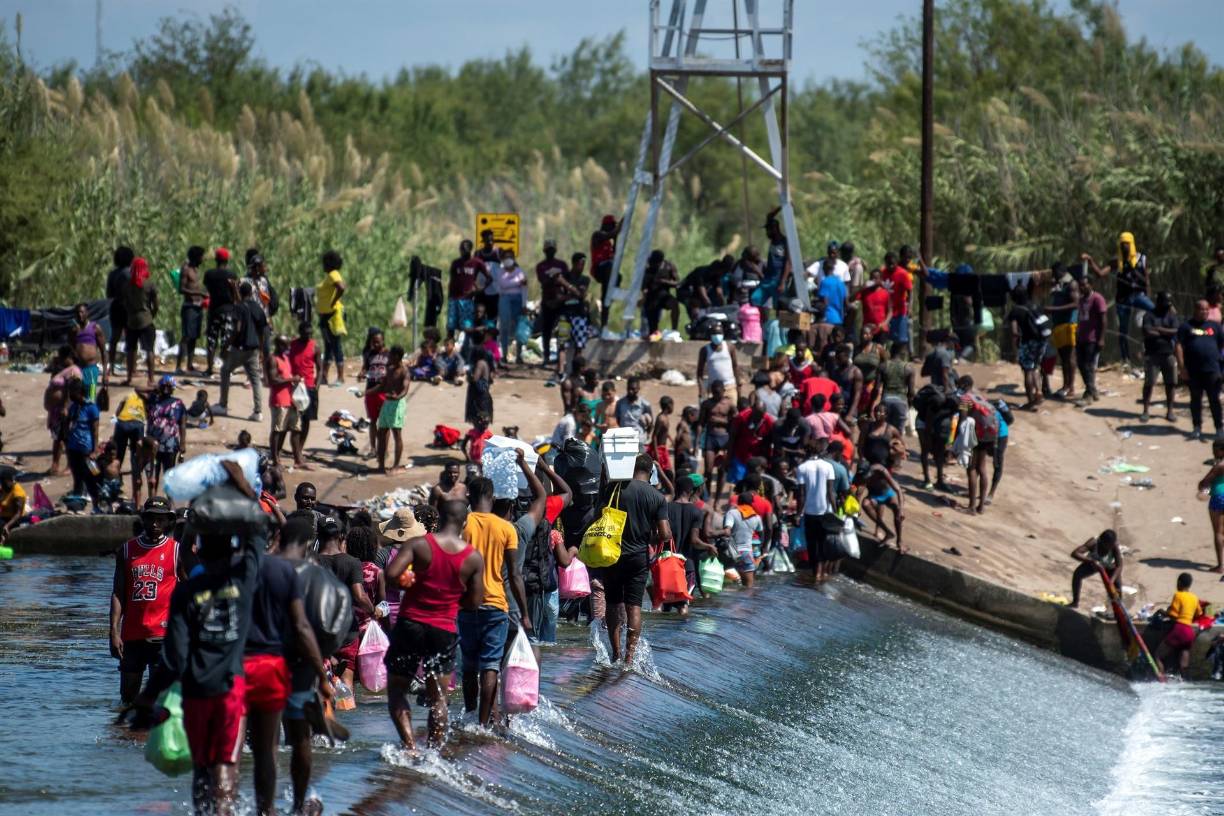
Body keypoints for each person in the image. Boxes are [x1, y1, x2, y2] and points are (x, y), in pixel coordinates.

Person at [132, 481, 267, 816]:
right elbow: (257, 536)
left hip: (194, 692)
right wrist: (242, 492)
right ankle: (224, 811)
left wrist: (148, 698)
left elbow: (174, 658)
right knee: (225, 765)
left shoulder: (186, 592)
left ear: (199, 551)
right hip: (230, 690)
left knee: (202, 768)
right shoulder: (245, 580)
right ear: (232, 550)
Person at [243, 515, 329, 816]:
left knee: (262, 744)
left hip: (256, 660)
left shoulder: (256, 566)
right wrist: (322, 669)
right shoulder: (312, 571)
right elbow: (317, 624)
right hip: (300, 665)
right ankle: (296, 804)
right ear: (307, 544)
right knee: (300, 736)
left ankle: (262, 808)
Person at [385, 499, 483, 751]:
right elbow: (474, 602)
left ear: (439, 518)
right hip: (444, 629)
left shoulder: (419, 544)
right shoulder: (472, 557)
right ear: (464, 522)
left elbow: (392, 575)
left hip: (410, 624)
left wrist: (414, 581)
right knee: (439, 698)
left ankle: (409, 747)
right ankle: (434, 753)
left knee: (397, 691)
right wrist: (450, 598)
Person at [460, 472, 531, 727]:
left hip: (466, 605)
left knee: (468, 665)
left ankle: (468, 715)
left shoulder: (463, 525)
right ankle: (482, 724)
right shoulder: (506, 528)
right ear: (491, 497)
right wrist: (524, 613)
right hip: (496, 605)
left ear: (470, 497)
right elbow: (514, 574)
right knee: (490, 666)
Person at [109, 497, 192, 703]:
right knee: (128, 698)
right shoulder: (127, 551)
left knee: (160, 698)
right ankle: (126, 736)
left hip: (163, 635)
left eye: (161, 520)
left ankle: (151, 734)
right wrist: (113, 631)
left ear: (167, 522)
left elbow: (189, 590)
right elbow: (118, 593)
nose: (155, 524)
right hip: (132, 635)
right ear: (143, 520)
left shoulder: (176, 551)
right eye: (151, 519)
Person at [602, 454, 671, 665]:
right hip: (638, 557)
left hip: (612, 554)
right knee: (634, 607)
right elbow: (665, 534)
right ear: (651, 473)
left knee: (613, 604)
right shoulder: (657, 497)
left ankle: (615, 654)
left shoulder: (615, 489)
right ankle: (630, 658)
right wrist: (646, 537)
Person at [317, 516, 378, 696]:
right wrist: (373, 610)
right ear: (342, 536)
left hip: (320, 630)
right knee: (346, 681)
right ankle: (348, 715)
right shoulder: (352, 562)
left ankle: (326, 721)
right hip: (347, 630)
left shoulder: (311, 560)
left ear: (318, 536)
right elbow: (360, 596)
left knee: (319, 682)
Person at [1083, 232, 1153, 370]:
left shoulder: (1141, 259)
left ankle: (1148, 351)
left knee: (1154, 313)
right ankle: (1125, 359)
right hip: (1123, 298)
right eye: (1122, 244)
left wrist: (1148, 296)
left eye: (1127, 243)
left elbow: (1147, 280)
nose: (1124, 246)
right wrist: (1091, 262)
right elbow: (1101, 274)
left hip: (1139, 295)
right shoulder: (1117, 261)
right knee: (1123, 330)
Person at [217, 281, 267, 422]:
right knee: (255, 379)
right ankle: (258, 412)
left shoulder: (238, 308)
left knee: (225, 371)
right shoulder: (256, 307)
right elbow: (262, 329)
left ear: (240, 292)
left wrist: (226, 345)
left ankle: (223, 404)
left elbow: (237, 329)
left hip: (240, 348)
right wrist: (262, 349)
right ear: (251, 293)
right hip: (254, 349)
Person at [1176, 299, 1224, 441]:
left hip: (1212, 369)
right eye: (1201, 309)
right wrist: (1182, 367)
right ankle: (1197, 428)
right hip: (1194, 370)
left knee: (1214, 400)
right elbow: (1178, 346)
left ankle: (1219, 429)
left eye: (1206, 309)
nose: (1204, 312)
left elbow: (1222, 346)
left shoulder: (1215, 326)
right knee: (1195, 399)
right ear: (1195, 310)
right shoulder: (1186, 326)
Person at [796, 439, 837, 581]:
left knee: (812, 544)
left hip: (809, 513)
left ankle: (816, 574)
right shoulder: (828, 467)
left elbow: (801, 495)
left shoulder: (802, 468)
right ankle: (821, 574)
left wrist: (798, 513)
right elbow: (831, 492)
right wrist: (835, 511)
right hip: (825, 512)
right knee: (822, 542)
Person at [1140, 292, 1179, 423]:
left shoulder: (1171, 316)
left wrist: (1160, 330)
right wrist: (1166, 333)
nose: (1167, 306)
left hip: (1168, 354)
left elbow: (1176, 331)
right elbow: (1147, 332)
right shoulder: (1149, 315)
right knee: (1149, 383)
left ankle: (1170, 411)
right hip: (1152, 354)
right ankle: (1145, 410)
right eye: (1165, 303)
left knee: (1171, 383)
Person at [1155, 573, 1203, 677]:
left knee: (1158, 656)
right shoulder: (1194, 597)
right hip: (1189, 632)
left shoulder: (1178, 595)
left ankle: (1161, 681)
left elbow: (1172, 615)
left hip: (1179, 630)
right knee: (1183, 665)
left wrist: (1162, 612)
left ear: (1179, 583)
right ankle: (1185, 685)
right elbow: (1199, 613)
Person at [267, 336, 305, 470]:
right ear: (278, 345)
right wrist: (290, 379)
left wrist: (295, 380)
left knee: (296, 428)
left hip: (290, 399)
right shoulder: (273, 359)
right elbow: (272, 380)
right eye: (285, 345)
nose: (288, 348)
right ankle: (275, 459)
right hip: (279, 400)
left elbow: (288, 376)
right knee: (278, 430)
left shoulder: (286, 358)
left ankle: (297, 458)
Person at [1007, 286, 1048, 410]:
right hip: (1041, 342)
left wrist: (1015, 350)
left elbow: (1014, 332)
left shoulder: (1015, 311)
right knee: (1035, 367)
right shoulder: (1035, 306)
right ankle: (1039, 392)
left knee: (1027, 370)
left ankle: (1030, 402)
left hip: (1027, 343)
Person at [146, 375, 187, 495]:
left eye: (169, 386)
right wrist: (155, 389)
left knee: (169, 476)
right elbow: (137, 389)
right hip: (152, 443)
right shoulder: (153, 400)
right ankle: (152, 503)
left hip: (170, 445)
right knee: (152, 476)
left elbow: (182, 424)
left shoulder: (178, 403)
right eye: (163, 386)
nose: (165, 389)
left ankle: (169, 505)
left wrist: (183, 443)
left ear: (173, 388)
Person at [203, 247, 240, 378]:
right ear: (227, 260)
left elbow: (207, 290)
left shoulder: (209, 274)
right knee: (226, 340)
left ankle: (209, 368)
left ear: (216, 259)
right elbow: (235, 292)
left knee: (211, 340)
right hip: (228, 310)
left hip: (213, 310)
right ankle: (226, 368)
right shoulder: (232, 275)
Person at [122, 256, 159, 386]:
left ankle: (129, 377)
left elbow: (125, 304)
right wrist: (151, 315)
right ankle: (151, 379)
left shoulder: (127, 285)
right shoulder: (149, 284)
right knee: (149, 349)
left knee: (131, 350)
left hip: (131, 321)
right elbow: (156, 305)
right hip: (146, 320)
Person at [373, 345, 409, 473]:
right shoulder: (389, 369)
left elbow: (405, 389)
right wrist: (367, 392)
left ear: (397, 357)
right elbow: (382, 386)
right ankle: (381, 465)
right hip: (387, 403)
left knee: (396, 434)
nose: (388, 358)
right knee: (382, 433)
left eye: (391, 356)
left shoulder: (404, 371)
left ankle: (395, 466)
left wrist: (397, 397)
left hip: (397, 404)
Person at [64, 379, 101, 503]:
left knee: (89, 472)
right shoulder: (73, 407)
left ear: (79, 392)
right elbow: (68, 424)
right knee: (76, 473)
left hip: (86, 446)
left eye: (72, 392)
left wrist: (95, 449)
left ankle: (92, 494)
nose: (70, 395)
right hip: (73, 446)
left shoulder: (91, 408)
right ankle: (78, 493)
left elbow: (95, 430)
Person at [1045, 266, 1080, 399]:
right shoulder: (1060, 284)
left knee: (1070, 356)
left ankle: (1071, 387)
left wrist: (1054, 309)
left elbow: (1075, 303)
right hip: (1058, 324)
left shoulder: (1072, 284)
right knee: (1063, 357)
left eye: (1054, 273)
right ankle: (1065, 385)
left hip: (1069, 324)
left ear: (1060, 271)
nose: (1054, 276)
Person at [1074, 276, 1108, 407]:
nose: (1082, 288)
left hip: (1092, 338)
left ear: (1091, 285)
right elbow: (1081, 318)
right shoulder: (1082, 300)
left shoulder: (1097, 299)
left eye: (1084, 285)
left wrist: (1101, 338)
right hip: (1082, 337)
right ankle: (1092, 389)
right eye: (1080, 286)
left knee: (1088, 365)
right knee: (1081, 364)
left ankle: (1088, 394)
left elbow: (1103, 319)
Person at [699, 379, 735, 504]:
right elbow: (701, 423)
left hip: (724, 438)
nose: (716, 395)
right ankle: (707, 498)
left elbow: (735, 421)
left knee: (722, 470)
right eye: (714, 392)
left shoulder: (729, 404)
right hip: (711, 438)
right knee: (708, 470)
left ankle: (717, 502)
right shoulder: (707, 404)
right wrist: (698, 442)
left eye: (718, 392)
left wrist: (721, 422)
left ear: (723, 391)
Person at [1068, 530, 1123, 609]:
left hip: (1110, 567)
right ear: (1102, 541)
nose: (1110, 547)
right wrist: (1091, 561)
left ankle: (1118, 608)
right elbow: (1075, 553)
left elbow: (1119, 566)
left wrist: (1111, 581)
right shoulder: (1093, 542)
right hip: (1095, 564)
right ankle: (1075, 602)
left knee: (1116, 587)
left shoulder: (1115, 546)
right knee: (1077, 574)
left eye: (1112, 544)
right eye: (1108, 545)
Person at [289, 320, 322, 450]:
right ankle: (295, 447)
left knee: (306, 420)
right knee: (293, 419)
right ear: (300, 332)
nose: (308, 336)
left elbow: (320, 369)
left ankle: (300, 448)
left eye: (310, 333)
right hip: (294, 387)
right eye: (305, 333)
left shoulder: (315, 347)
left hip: (309, 388)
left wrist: (316, 386)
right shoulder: (292, 345)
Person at [316, 249, 347, 385]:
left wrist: (333, 302)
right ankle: (324, 376)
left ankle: (340, 377)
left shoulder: (334, 274)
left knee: (335, 345)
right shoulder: (329, 276)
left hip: (332, 315)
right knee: (328, 346)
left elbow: (341, 287)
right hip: (325, 315)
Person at [860, 462, 905, 552]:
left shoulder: (880, 470)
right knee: (865, 504)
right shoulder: (860, 475)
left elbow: (898, 489)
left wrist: (901, 509)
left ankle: (899, 541)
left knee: (897, 510)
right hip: (874, 496)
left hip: (887, 494)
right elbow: (858, 491)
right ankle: (888, 532)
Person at [494, 248, 527, 367]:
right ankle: (504, 354)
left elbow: (524, 289)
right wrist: (518, 283)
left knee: (518, 328)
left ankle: (519, 355)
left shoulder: (520, 271)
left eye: (510, 257)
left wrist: (524, 305)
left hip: (518, 300)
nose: (508, 260)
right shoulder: (500, 271)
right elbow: (502, 284)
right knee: (504, 326)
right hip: (504, 300)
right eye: (506, 257)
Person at [723, 492, 764, 587]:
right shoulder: (756, 517)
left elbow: (727, 531)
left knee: (727, 586)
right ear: (751, 503)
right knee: (748, 586)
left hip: (730, 553)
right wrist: (761, 548)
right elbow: (761, 533)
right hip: (747, 553)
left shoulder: (731, 513)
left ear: (739, 501)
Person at [176, 245, 206, 373]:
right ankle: (178, 366)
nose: (203, 259)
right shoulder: (186, 269)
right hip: (189, 307)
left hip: (198, 306)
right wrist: (199, 294)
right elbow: (182, 289)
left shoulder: (195, 270)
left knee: (194, 337)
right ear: (196, 257)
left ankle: (189, 364)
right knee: (186, 336)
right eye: (201, 257)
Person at [106, 246, 134, 381]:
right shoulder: (129, 274)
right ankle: (131, 369)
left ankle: (110, 367)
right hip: (128, 309)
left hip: (115, 307)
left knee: (114, 339)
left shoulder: (112, 274)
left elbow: (109, 294)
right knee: (131, 340)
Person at [72, 302, 108, 403]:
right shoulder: (74, 330)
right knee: (77, 398)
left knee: (91, 398)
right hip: (78, 370)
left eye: (82, 312)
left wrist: (105, 374)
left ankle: (92, 417)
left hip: (91, 371)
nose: (80, 315)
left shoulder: (95, 328)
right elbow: (71, 346)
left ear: (87, 313)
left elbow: (104, 352)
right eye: (78, 313)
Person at [447, 239, 483, 340]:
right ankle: (450, 348)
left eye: (465, 249)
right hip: (454, 298)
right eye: (461, 249)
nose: (463, 251)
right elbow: (452, 280)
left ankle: (467, 348)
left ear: (470, 250)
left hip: (467, 300)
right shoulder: (456, 263)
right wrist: (450, 297)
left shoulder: (476, 262)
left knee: (467, 327)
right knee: (451, 326)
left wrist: (477, 290)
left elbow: (489, 278)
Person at [1198, 439, 1224, 573]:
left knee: (1218, 532)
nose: (1213, 452)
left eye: (1214, 449)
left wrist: (1203, 490)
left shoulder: (1219, 466)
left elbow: (1204, 482)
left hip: (1219, 498)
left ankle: (1220, 565)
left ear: (1221, 450)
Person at [590, 214, 622, 326]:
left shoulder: (609, 242)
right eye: (612, 225)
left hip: (608, 271)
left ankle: (609, 299)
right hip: (599, 269)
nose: (613, 227)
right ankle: (608, 297)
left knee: (618, 276)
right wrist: (620, 226)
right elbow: (612, 233)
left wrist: (616, 239)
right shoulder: (597, 235)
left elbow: (615, 254)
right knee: (609, 266)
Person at [880, 252, 913, 357]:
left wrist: (910, 306)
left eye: (892, 263)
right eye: (888, 263)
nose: (890, 266)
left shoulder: (903, 274)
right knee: (884, 336)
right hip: (885, 311)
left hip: (900, 310)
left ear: (896, 263)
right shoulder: (882, 273)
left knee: (901, 338)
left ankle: (897, 357)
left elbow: (910, 291)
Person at [697, 321, 739, 403]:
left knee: (731, 410)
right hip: (714, 388)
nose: (717, 336)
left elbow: (735, 366)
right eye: (714, 333)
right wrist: (701, 389)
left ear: (723, 334)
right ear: (710, 335)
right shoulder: (705, 350)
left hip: (729, 386)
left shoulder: (730, 347)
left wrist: (738, 384)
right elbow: (699, 372)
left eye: (719, 333)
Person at [641, 250, 681, 336]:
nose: (653, 265)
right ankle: (653, 335)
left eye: (656, 263)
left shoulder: (669, 266)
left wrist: (664, 282)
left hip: (664, 295)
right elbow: (643, 287)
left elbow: (677, 283)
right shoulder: (647, 269)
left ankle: (674, 330)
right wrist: (643, 298)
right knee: (653, 329)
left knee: (674, 305)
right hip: (651, 298)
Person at [614, 376, 653, 445]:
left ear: (638, 389)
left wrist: (646, 435)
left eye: (633, 389)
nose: (630, 391)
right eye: (629, 388)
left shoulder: (645, 405)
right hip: (624, 440)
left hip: (639, 441)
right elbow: (618, 420)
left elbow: (650, 423)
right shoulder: (620, 403)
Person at [647, 396, 674, 477]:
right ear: (668, 405)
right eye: (672, 405)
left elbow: (665, 431)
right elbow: (654, 436)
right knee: (663, 472)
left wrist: (671, 440)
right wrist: (656, 453)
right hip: (659, 449)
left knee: (666, 472)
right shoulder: (661, 418)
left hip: (663, 448)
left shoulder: (666, 417)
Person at [0, 468, 27, 540]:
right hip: (3, 516)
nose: (1, 484)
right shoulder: (5, 488)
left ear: (8, 481)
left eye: (2, 482)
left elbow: (18, 513)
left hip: (13, 520)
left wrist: (7, 526)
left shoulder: (17, 493)